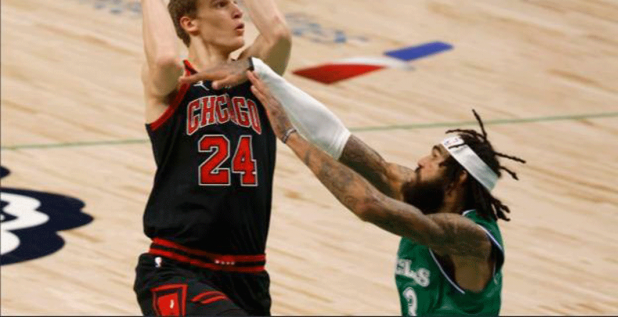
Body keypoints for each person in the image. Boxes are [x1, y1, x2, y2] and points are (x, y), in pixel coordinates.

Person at [180, 58, 525, 316]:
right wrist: (263, 73)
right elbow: (337, 139)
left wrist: (290, 136)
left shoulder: (471, 239)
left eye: (434, 158)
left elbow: (369, 205)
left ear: (458, 178)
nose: (420, 161)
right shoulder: (419, 192)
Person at [119, 0, 291, 316]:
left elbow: (278, 35)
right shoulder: (172, 85)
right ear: (189, 23)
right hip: (177, 268)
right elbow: (161, 56)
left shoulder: (254, 77)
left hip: (249, 274)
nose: (237, 12)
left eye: (235, 3)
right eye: (221, 4)